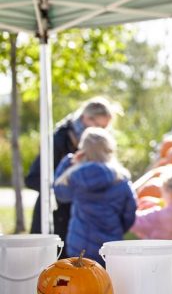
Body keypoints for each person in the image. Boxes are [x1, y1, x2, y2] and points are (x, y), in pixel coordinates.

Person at [25, 96, 114, 255]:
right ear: (86, 118)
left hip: (79, 224)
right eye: (99, 125)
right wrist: (65, 188)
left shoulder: (95, 145)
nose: (101, 132)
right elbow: (33, 178)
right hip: (54, 219)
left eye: (105, 128)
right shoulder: (58, 140)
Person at [53, 127, 136, 266]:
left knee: (82, 284)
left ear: (83, 150)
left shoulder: (76, 176)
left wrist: (68, 162)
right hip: (110, 246)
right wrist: (118, 229)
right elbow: (130, 214)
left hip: (80, 245)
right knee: (108, 284)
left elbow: (60, 193)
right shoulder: (122, 179)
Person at [131, 174, 172, 294]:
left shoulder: (160, 216)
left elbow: (135, 222)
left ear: (169, 193)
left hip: (161, 268)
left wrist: (132, 204)